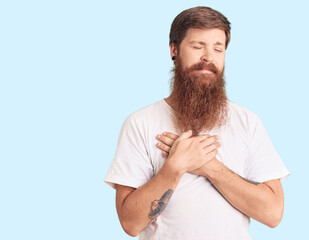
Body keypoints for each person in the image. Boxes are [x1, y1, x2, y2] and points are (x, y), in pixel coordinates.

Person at [104, 6, 289, 240]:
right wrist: (175, 166)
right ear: (174, 49)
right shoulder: (140, 122)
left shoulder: (248, 122)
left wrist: (208, 166)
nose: (208, 57)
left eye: (218, 49)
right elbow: (130, 223)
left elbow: (272, 214)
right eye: (197, 46)